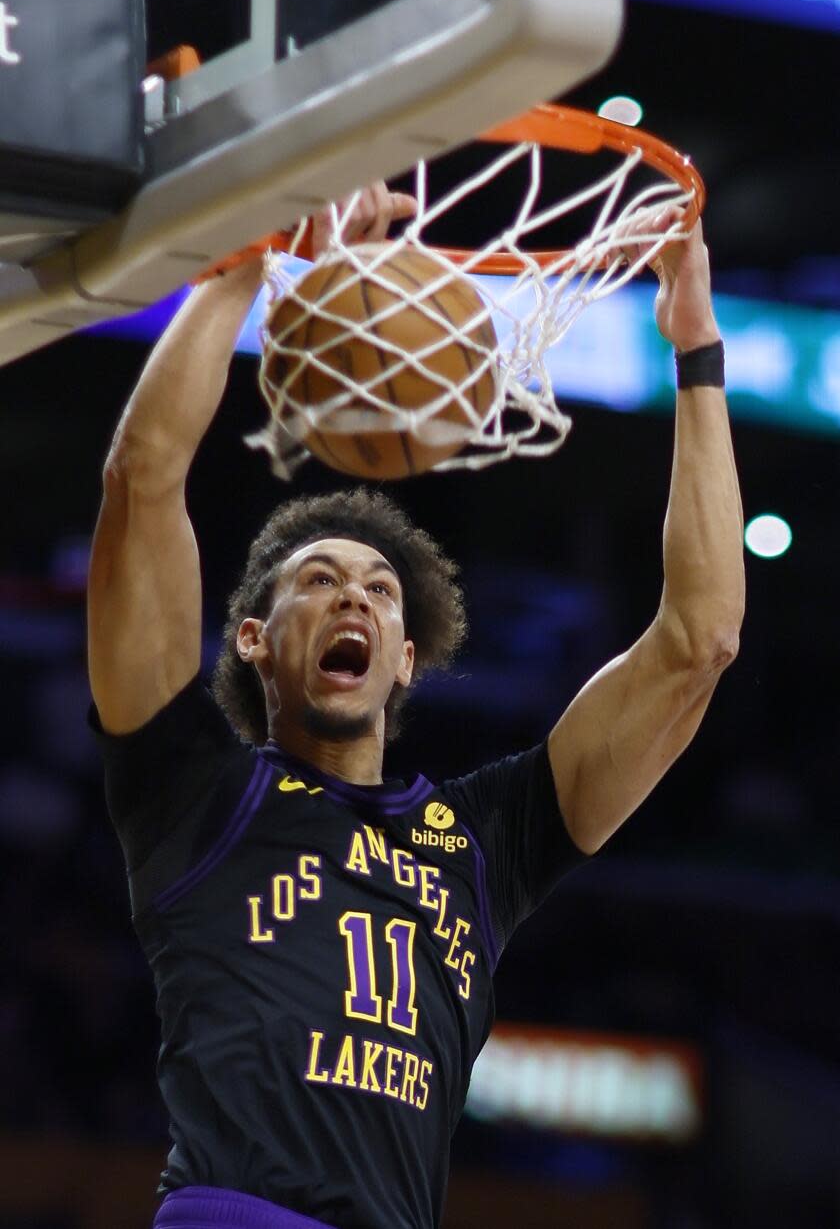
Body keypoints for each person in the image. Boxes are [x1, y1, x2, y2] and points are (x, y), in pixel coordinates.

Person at [87, 183, 745, 1229]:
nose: (353, 592)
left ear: (403, 661)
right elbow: (144, 478)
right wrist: (247, 267)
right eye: (315, 581)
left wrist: (698, 349)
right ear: (252, 640)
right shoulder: (194, 792)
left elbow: (699, 640)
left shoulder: (487, 842)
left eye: (380, 592)